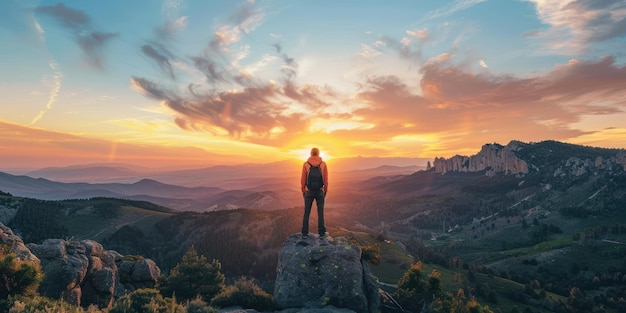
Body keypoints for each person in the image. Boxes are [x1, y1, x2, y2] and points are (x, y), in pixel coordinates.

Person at [300, 147, 329, 239]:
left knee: (306, 212)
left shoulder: (306, 164)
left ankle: (304, 233)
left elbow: (303, 179)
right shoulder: (323, 164)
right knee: (320, 211)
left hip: (309, 191)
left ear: (311, 154)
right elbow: (326, 179)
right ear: (318, 154)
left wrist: (303, 190)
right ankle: (322, 233)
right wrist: (325, 190)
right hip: (320, 191)